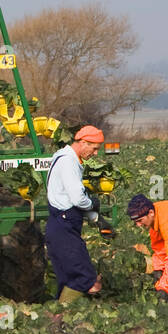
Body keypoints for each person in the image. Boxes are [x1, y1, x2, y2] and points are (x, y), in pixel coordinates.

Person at [44, 125, 107, 303]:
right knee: (84, 277)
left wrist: (95, 217)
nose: (95, 153)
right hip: (63, 225)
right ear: (83, 142)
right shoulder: (68, 162)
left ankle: (60, 320)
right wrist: (91, 204)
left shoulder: (64, 157)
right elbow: (78, 198)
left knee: (68, 278)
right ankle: (61, 314)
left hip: (61, 224)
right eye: (94, 148)